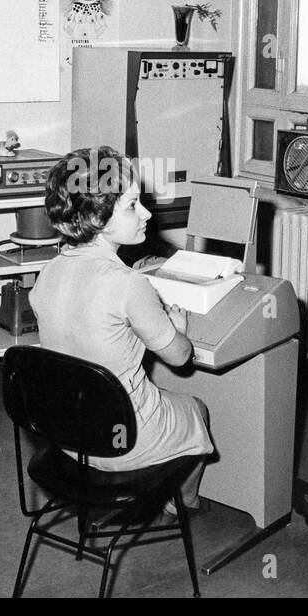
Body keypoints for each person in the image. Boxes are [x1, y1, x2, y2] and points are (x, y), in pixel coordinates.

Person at [29, 145, 214, 513]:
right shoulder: (130, 285)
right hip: (125, 442)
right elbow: (180, 357)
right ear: (97, 217)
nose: (147, 213)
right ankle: (184, 502)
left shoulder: (45, 275)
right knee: (197, 409)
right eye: (132, 206)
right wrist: (177, 327)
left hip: (68, 436)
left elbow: (87, 341)